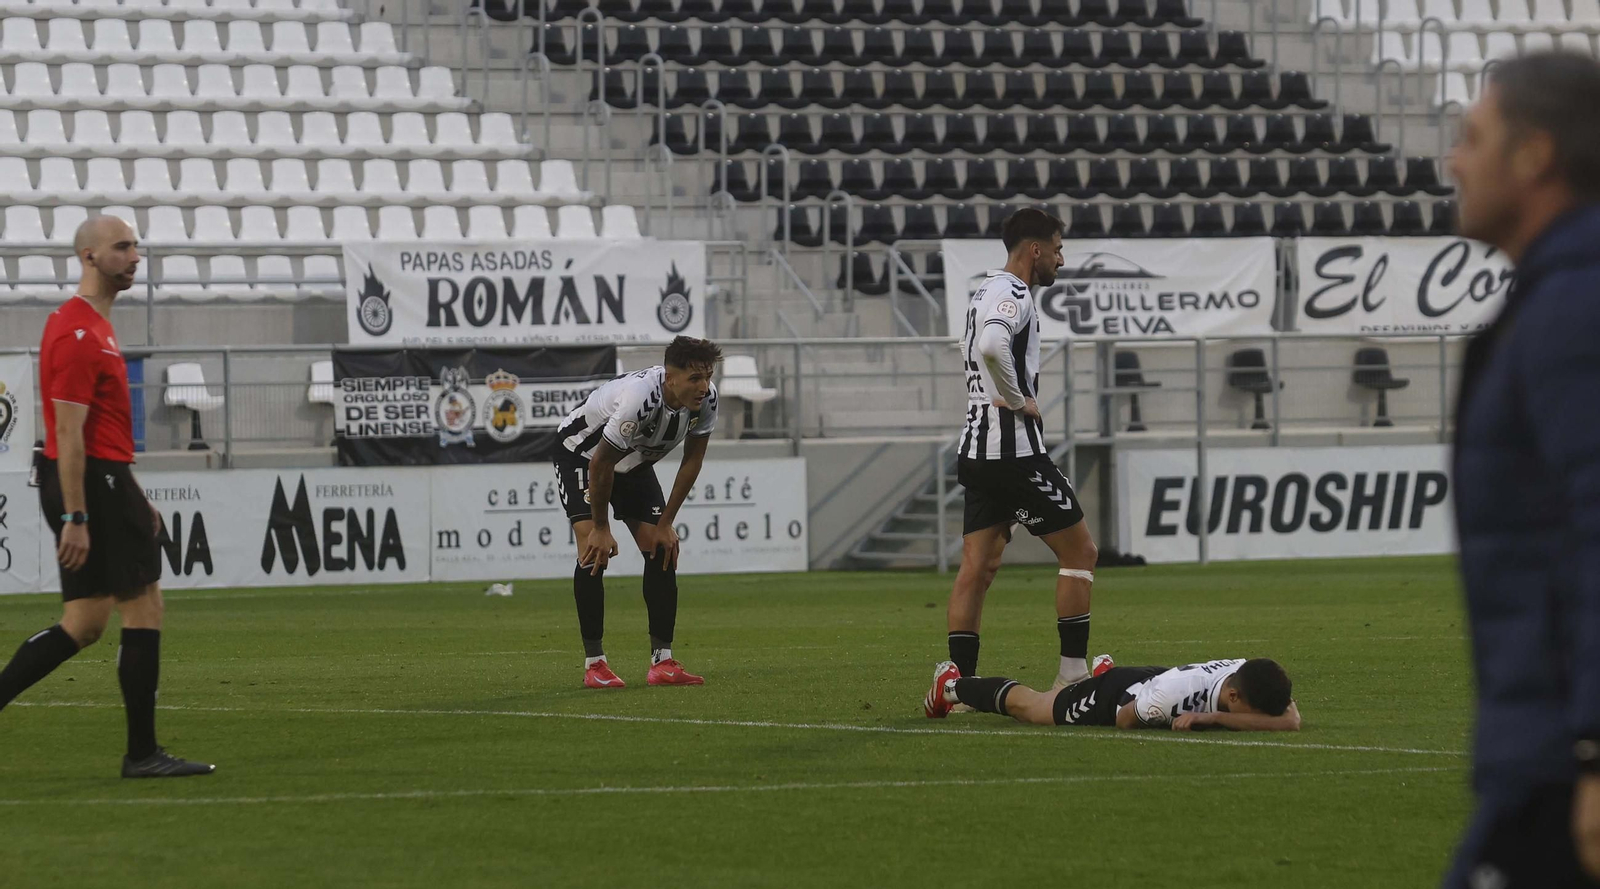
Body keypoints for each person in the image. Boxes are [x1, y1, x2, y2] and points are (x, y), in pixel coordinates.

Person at [1444, 52, 1600, 889]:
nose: (1454, 161)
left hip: (1557, 764)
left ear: (1534, 155)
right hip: (1536, 757)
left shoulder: (1577, 305)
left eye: (1472, 137)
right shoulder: (1552, 298)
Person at [0, 216, 214, 778]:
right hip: (90, 482)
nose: (135, 256)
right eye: (123, 247)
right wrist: (77, 514)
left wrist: (136, 495)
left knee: (85, 623)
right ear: (89, 256)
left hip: (101, 479)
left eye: (137, 246)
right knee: (145, 605)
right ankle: (142, 754)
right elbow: (68, 434)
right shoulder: (78, 333)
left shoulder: (93, 325)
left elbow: (95, 435)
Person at [941, 207, 1099, 703]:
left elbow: (984, 343)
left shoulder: (985, 291)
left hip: (977, 450)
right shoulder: (1012, 293)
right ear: (1034, 249)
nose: (1061, 259)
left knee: (979, 565)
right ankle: (1073, 675)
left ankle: (959, 683)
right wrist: (1017, 397)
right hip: (1012, 453)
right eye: (1056, 248)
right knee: (1081, 552)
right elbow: (992, 345)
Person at [552, 336, 721, 689]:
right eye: (695, 379)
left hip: (633, 464)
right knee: (592, 551)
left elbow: (693, 460)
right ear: (670, 378)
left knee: (662, 550)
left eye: (707, 376)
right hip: (581, 457)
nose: (703, 387)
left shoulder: (706, 401)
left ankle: (663, 663)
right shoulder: (639, 400)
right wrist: (600, 526)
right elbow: (601, 463)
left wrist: (666, 523)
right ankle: (595, 664)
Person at [923, 655, 1300, 732]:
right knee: (1033, 708)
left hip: (1155, 679)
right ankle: (953, 687)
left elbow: (1290, 718)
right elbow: (1125, 720)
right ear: (1234, 698)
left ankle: (1107, 672)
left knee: (1147, 687)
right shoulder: (1168, 699)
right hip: (1120, 698)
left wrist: (1212, 718)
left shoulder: (1251, 673)